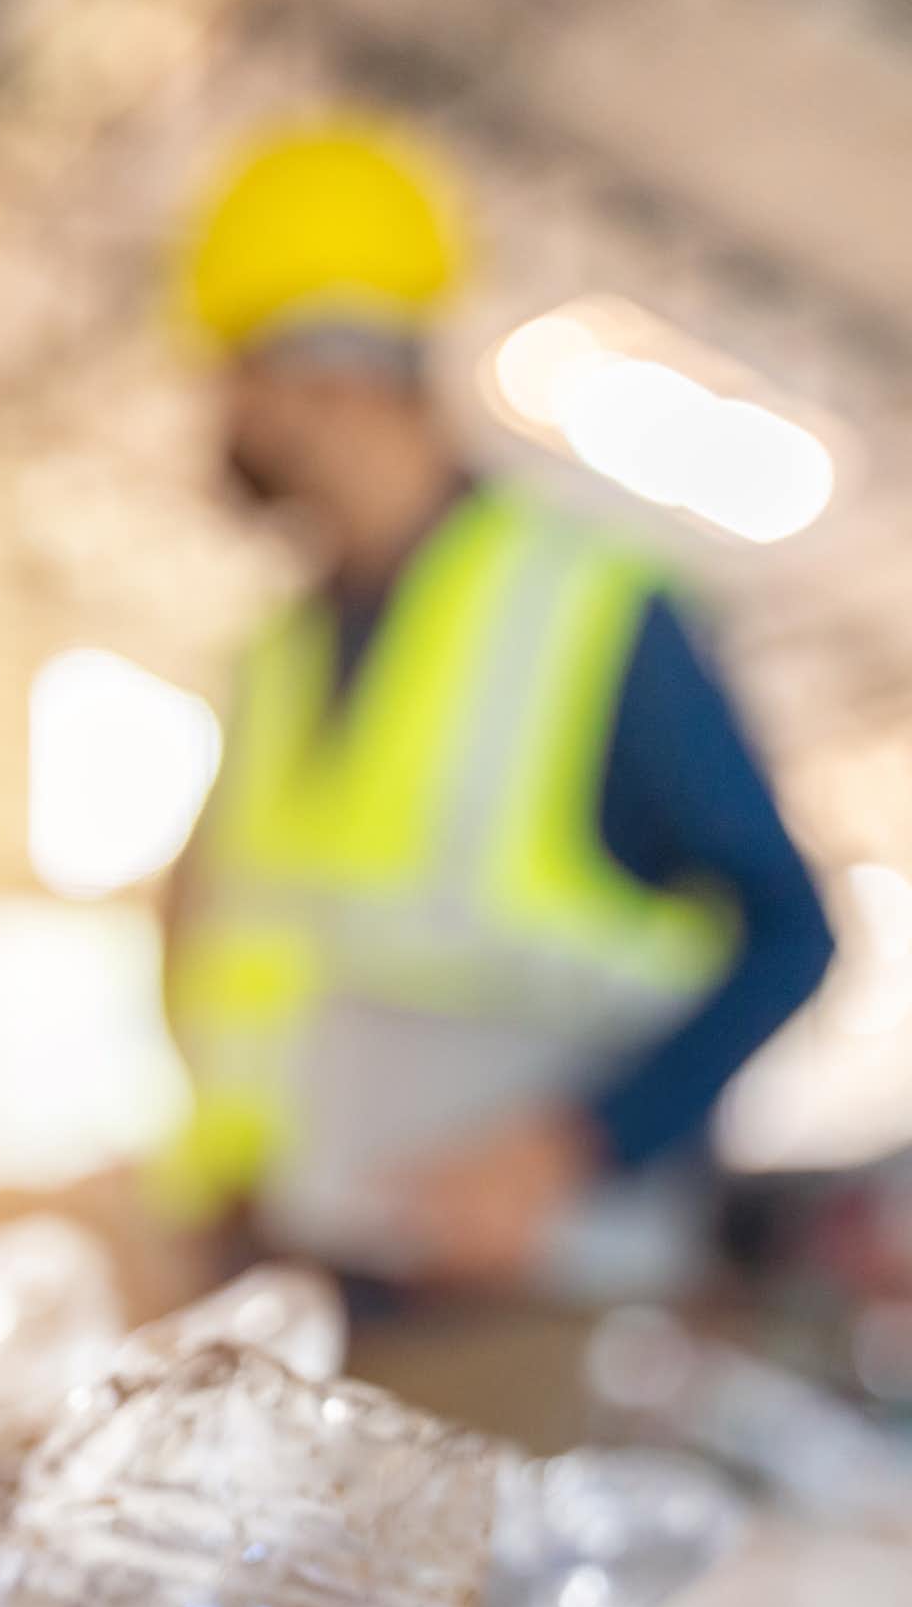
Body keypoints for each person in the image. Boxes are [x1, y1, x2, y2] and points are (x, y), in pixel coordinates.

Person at [161, 120, 834, 1300]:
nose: (223, 422)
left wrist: (569, 1150)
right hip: (310, 1280)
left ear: (315, 372)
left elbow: (791, 931)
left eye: (234, 376)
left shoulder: (593, 613)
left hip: (531, 1314)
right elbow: (245, 956)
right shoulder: (281, 656)